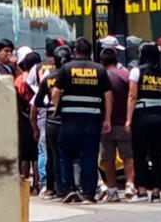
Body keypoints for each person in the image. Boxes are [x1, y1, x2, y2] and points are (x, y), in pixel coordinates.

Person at [52, 37, 113, 204]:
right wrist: (107, 118)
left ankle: (70, 189)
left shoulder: (66, 68)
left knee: (65, 154)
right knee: (90, 156)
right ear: (90, 51)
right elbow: (108, 95)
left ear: (75, 51)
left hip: (70, 119)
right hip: (92, 120)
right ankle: (88, 194)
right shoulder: (99, 69)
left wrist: (58, 108)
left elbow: (56, 92)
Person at [125, 43, 161, 203]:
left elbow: (132, 96)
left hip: (142, 115)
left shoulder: (137, 71)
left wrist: (128, 120)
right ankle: (156, 192)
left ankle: (142, 190)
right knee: (158, 155)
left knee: (140, 155)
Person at [32, 45, 72, 200]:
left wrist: (49, 106)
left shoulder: (48, 78)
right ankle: (71, 186)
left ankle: (54, 187)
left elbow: (38, 101)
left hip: (52, 120)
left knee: (53, 154)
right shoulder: (72, 76)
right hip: (70, 118)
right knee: (71, 154)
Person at [99, 47, 136, 202]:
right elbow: (132, 96)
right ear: (117, 60)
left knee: (108, 159)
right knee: (128, 156)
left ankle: (113, 190)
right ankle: (130, 185)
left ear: (102, 62)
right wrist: (129, 119)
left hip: (106, 124)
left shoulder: (101, 76)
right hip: (123, 123)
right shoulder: (126, 75)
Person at [15, 51, 42, 194]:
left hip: (24, 120)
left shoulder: (20, 80)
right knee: (37, 154)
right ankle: (38, 184)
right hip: (40, 118)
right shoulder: (43, 77)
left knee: (25, 155)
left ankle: (24, 184)